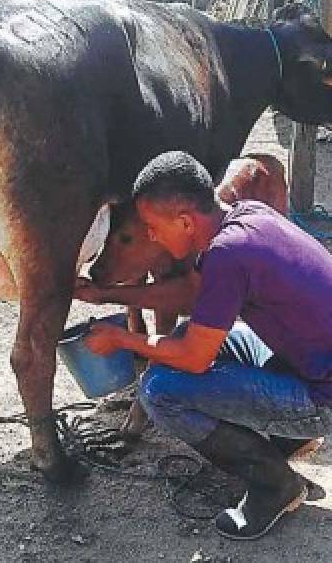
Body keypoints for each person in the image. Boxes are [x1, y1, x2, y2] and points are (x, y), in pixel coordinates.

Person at [74, 150, 332, 540]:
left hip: (322, 395)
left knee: (159, 391)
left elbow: (195, 360)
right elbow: (192, 296)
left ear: (184, 221)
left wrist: (121, 339)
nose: (152, 236)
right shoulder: (243, 216)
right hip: (304, 360)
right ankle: (289, 435)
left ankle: (274, 485)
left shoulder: (227, 254)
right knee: (184, 342)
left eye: (151, 226)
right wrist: (108, 295)